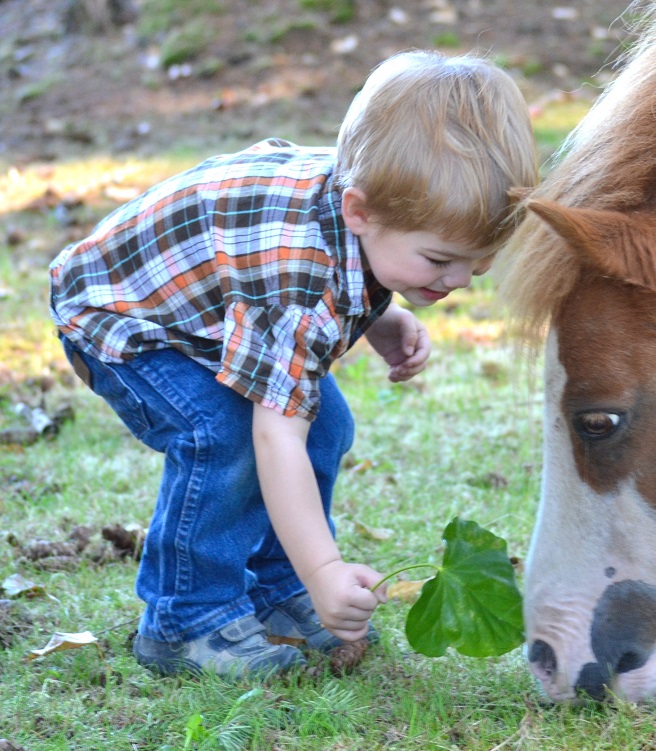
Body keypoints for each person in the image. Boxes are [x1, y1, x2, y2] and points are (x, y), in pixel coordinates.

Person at [48, 50, 537, 678]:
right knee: (223, 435)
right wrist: (326, 569)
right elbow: (275, 432)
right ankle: (185, 622)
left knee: (327, 427)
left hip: (210, 312)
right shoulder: (297, 278)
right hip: (121, 319)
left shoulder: (362, 216)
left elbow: (346, 272)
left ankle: (278, 593)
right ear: (361, 210)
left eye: (481, 262)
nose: (462, 281)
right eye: (440, 260)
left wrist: (380, 316)